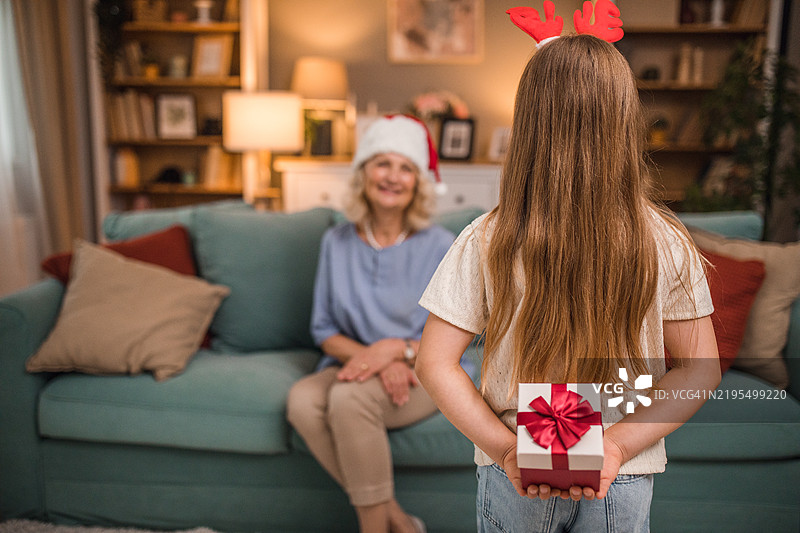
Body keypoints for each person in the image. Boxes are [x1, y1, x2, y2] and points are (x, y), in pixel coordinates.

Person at [415, 33, 721, 532]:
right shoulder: (665, 241)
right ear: (624, 121)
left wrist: (509, 450)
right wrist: (615, 446)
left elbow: (433, 363)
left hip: (521, 470)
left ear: (529, 122)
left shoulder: (488, 237)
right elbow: (699, 371)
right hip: (617, 474)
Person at [287, 115, 470, 533]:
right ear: (364, 172)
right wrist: (377, 359)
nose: (393, 177)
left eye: (406, 168)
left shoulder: (442, 245)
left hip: (426, 369)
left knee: (349, 401)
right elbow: (324, 330)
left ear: (419, 183)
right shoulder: (336, 241)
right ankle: (400, 523)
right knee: (301, 400)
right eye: (382, 163)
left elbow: (461, 334)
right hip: (355, 364)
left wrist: (397, 351)